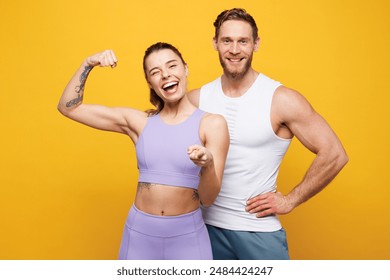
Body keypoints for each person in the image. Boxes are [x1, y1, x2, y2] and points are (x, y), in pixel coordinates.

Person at [188, 8, 348, 260]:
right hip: (204, 229)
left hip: (258, 233)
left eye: (243, 41)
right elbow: (152, 130)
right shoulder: (196, 99)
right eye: (227, 41)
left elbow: (335, 154)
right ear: (215, 43)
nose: (234, 49)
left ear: (256, 44)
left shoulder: (281, 99)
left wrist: (291, 200)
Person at [57, 42, 229, 260]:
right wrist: (88, 63)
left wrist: (208, 164)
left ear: (185, 69)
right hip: (139, 237)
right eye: (155, 72)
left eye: (172, 66)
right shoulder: (140, 122)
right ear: (150, 82)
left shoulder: (212, 124)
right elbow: (68, 107)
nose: (165, 75)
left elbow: (208, 198)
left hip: (188, 238)